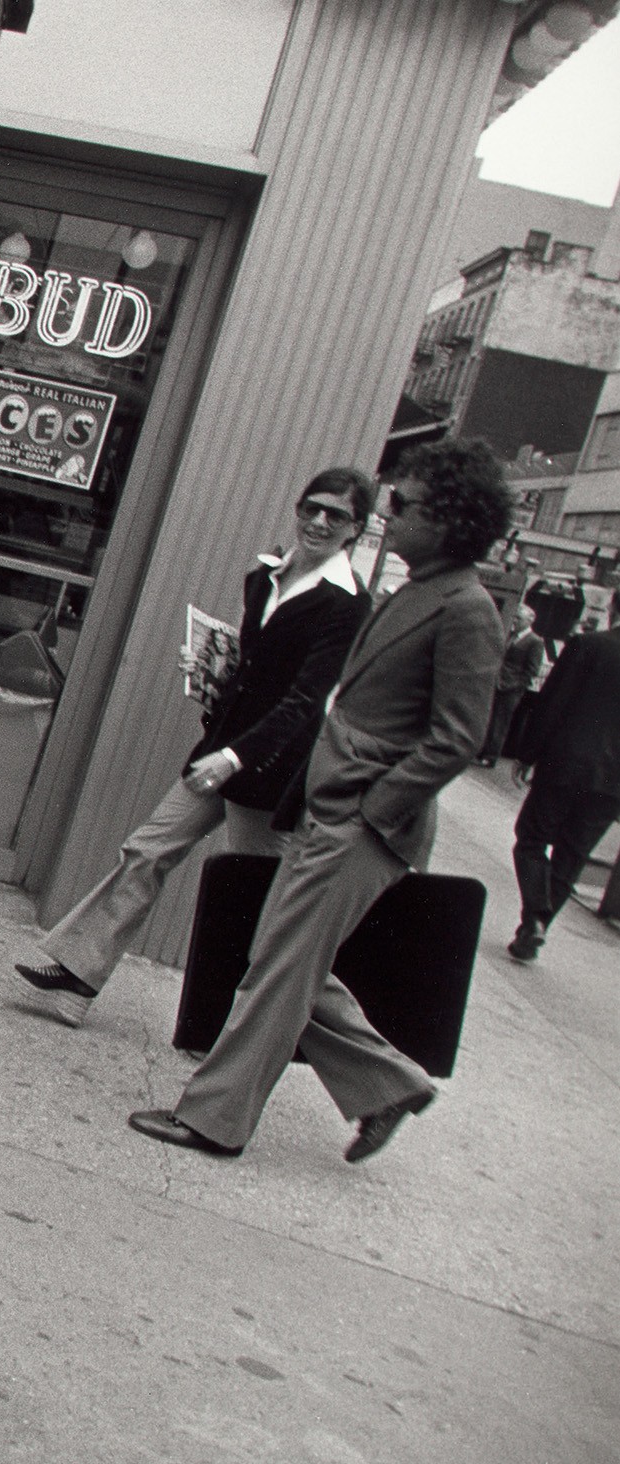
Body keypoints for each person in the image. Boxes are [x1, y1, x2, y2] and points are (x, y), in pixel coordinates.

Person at [128, 438, 509, 1162]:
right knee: (283, 957)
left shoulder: (466, 610)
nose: (385, 517)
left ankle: (213, 1120)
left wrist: (374, 808)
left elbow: (457, 737)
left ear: (452, 518)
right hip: (331, 810)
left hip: (362, 824)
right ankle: (390, 1083)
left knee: (277, 970)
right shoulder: (417, 590)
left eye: (402, 505)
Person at [15, 469, 375, 1024]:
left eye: (338, 516)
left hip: (268, 769)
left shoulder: (347, 604)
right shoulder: (265, 576)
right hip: (219, 750)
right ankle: (77, 979)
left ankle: (377, 1064)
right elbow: (254, 668)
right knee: (147, 852)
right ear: (298, 508)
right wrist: (212, 674)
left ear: (356, 530)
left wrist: (234, 757)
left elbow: (305, 700)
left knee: (274, 916)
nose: (320, 522)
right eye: (313, 508)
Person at [504, 623, 620, 961]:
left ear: (614, 607)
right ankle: (536, 927)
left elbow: (554, 701)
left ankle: (534, 917)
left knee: (531, 838)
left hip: (566, 763)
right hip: (613, 783)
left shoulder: (588, 645)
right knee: (573, 854)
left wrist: (528, 754)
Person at [475, 603, 547, 766]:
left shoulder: (535, 642)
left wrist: (515, 685)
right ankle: (482, 751)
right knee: (490, 718)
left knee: (500, 722)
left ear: (530, 621)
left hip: (512, 689)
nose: (515, 620)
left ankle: (491, 756)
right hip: (498, 683)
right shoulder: (513, 635)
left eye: (519, 618)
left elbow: (532, 670)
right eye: (515, 617)